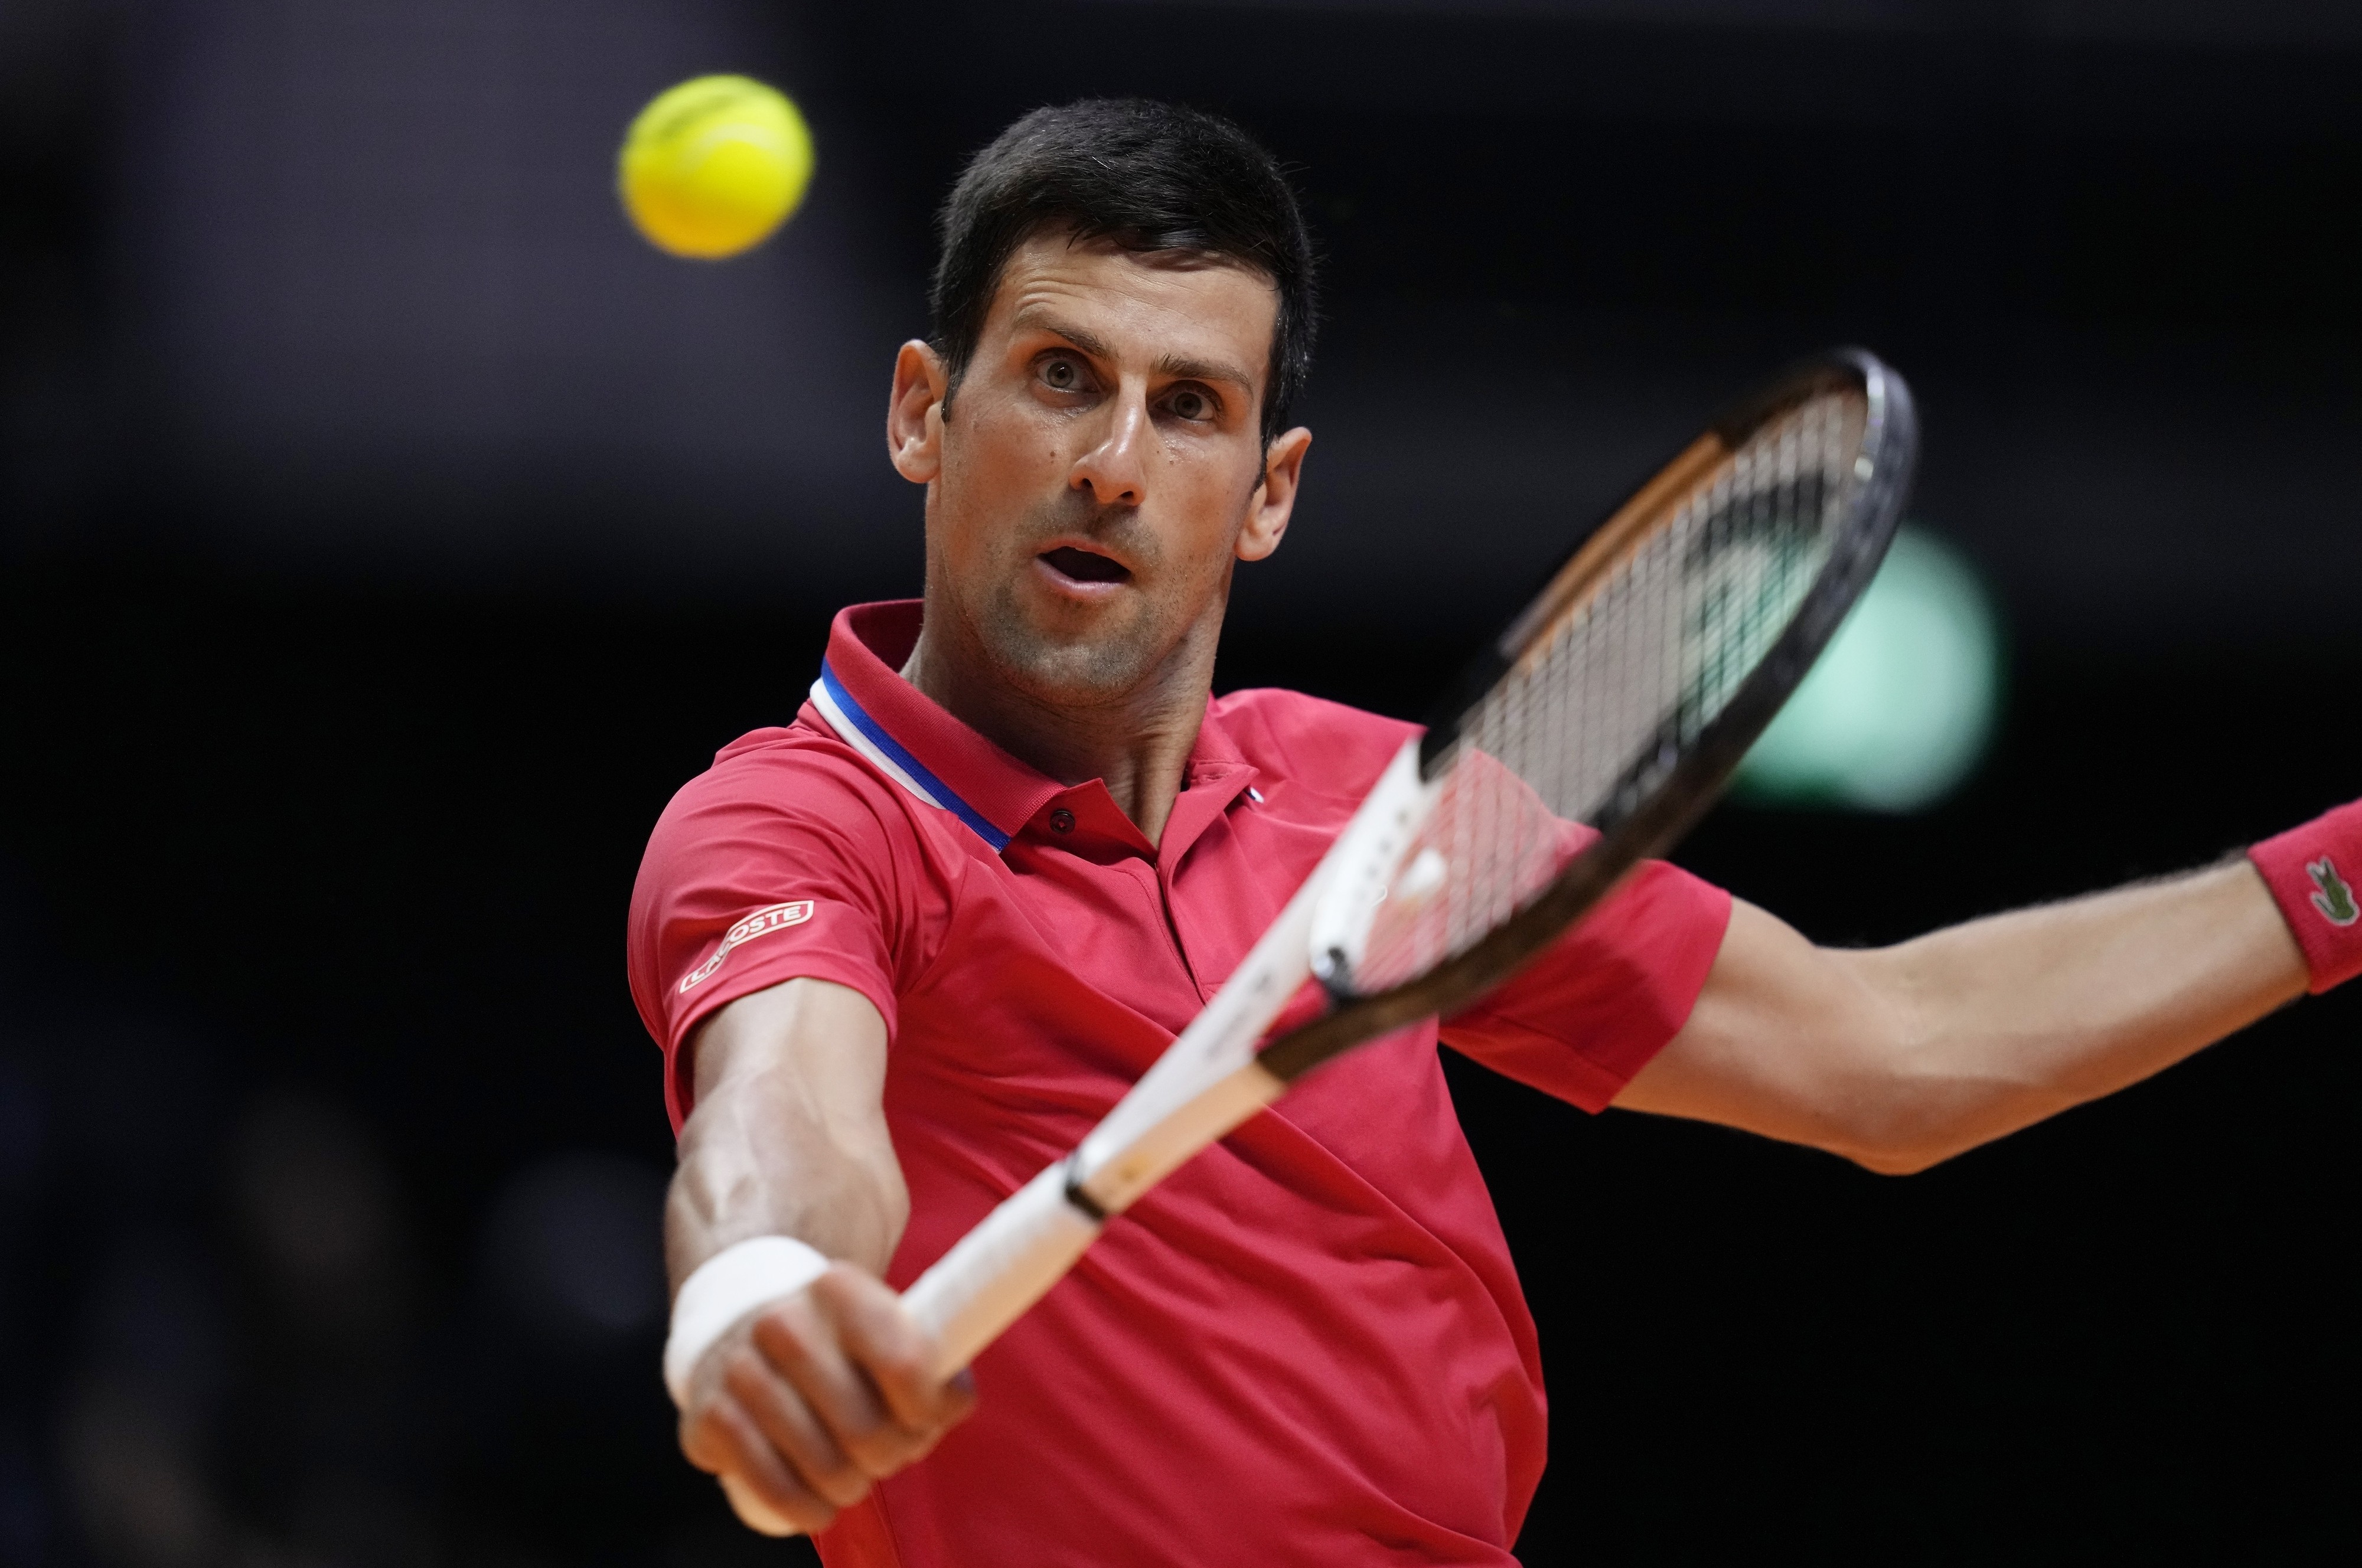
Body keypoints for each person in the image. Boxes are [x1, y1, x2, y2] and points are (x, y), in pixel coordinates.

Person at [627, 99, 2357, 1566]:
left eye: (1191, 404)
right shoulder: (803, 820)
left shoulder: (1380, 813)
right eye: (1062, 376)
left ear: (1273, 489)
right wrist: (761, 1298)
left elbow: (1887, 1049)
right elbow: (781, 1107)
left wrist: (2344, 878)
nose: (1115, 462)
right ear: (927, 411)